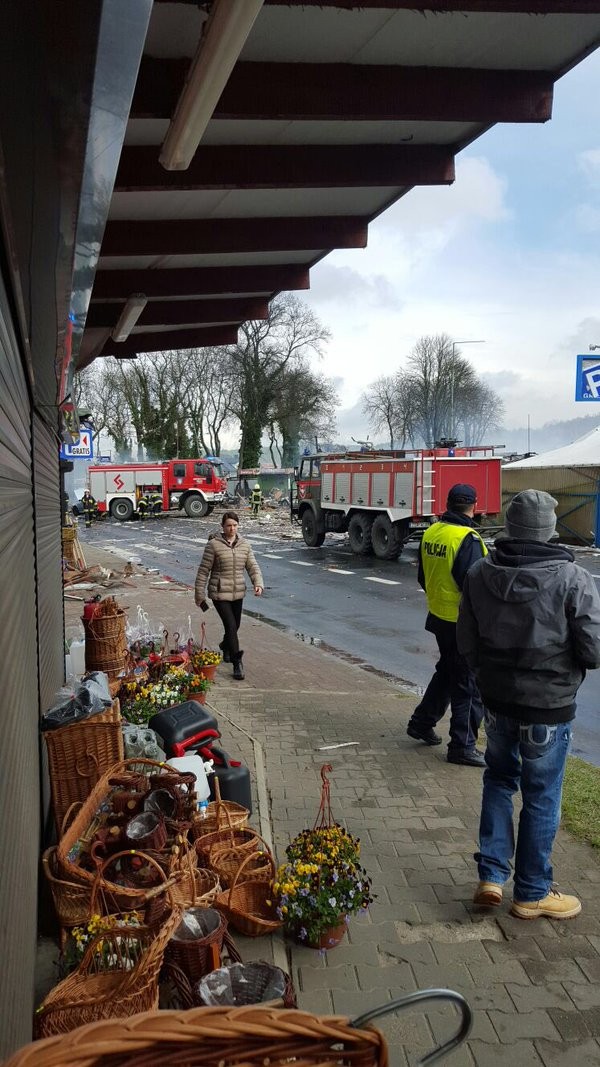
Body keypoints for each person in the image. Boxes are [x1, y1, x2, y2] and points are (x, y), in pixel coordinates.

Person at [458, 490, 600, 919]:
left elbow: (467, 642)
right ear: (549, 530)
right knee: (541, 795)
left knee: (499, 781)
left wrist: (487, 677)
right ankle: (533, 892)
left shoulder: (480, 572)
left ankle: (491, 877)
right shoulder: (572, 578)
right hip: (548, 707)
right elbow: (593, 650)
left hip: (498, 702)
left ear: (510, 525)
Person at [406, 483, 487, 767]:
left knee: (447, 671)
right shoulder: (468, 538)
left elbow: (422, 576)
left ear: (449, 503)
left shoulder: (432, 531)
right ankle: (462, 746)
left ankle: (421, 722)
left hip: (439, 616)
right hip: (463, 622)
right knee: (467, 684)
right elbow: (475, 585)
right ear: (473, 506)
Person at [194, 510, 264, 680]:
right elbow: (203, 571)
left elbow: (252, 567)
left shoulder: (245, 545)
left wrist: (258, 583)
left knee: (235, 626)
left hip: (238, 592)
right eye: (228, 526)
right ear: (222, 527)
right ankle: (237, 662)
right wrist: (199, 594)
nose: (232, 529)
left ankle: (225, 646)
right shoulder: (213, 545)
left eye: (234, 525)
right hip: (219, 593)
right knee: (231, 626)